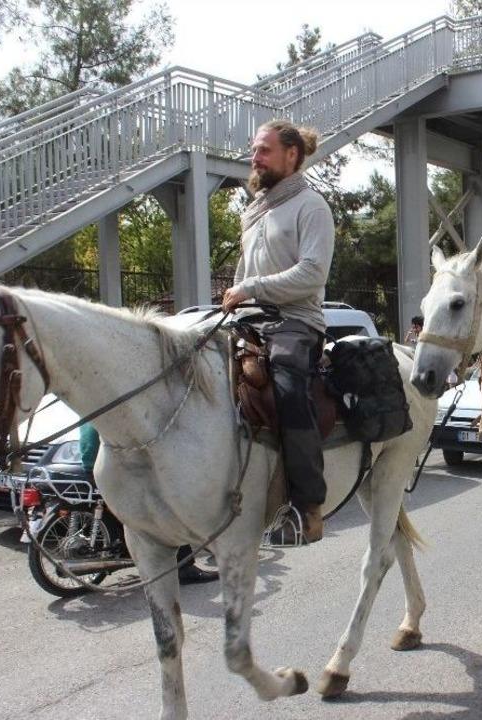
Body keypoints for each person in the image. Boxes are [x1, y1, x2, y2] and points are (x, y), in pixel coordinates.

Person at [222, 119, 335, 546]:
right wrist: (236, 295)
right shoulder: (256, 210)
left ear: (292, 155)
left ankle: (307, 508)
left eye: (265, 150)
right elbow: (244, 273)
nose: (255, 158)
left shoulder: (311, 206)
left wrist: (250, 288)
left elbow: (311, 274)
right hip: (249, 319)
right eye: (255, 150)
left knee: (288, 382)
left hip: (295, 321)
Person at [78, 425, 219, 584]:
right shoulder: (112, 411)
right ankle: (184, 568)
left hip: (90, 467)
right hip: (107, 468)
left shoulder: (89, 413)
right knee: (169, 508)